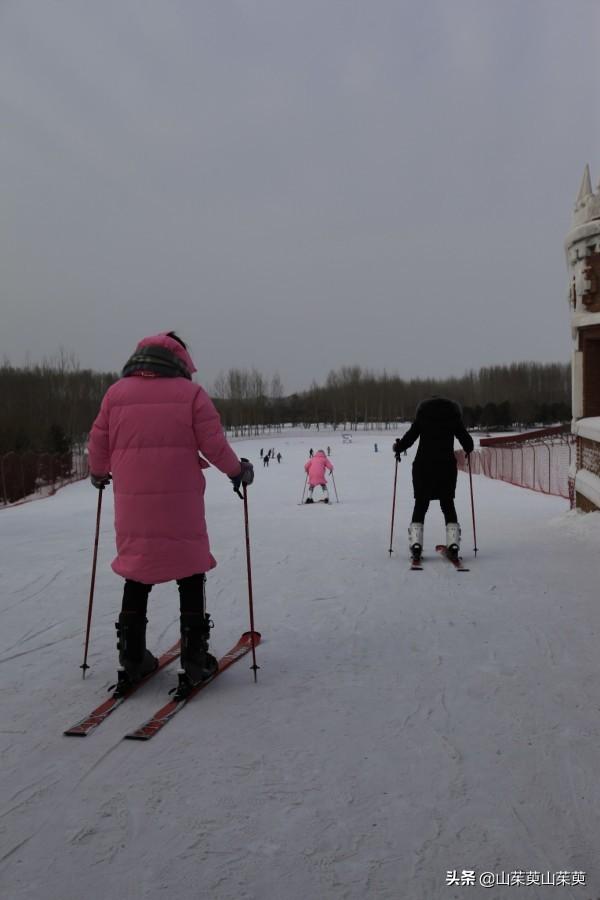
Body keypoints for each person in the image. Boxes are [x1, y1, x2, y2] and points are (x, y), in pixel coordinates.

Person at [87, 331, 254, 689]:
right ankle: (194, 658)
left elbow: (98, 441)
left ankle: (132, 657)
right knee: (190, 569)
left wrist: (98, 473)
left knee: (136, 570)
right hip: (181, 503)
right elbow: (214, 444)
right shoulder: (190, 394)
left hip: (133, 504)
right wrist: (237, 471)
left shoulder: (115, 394)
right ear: (180, 360)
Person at [393, 396, 473, 560]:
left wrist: (398, 447)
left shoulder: (422, 417)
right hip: (446, 469)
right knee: (448, 504)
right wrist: (468, 448)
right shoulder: (453, 417)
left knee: (420, 505)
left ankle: (416, 546)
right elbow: (468, 443)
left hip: (423, 467)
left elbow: (409, 438)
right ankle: (453, 545)